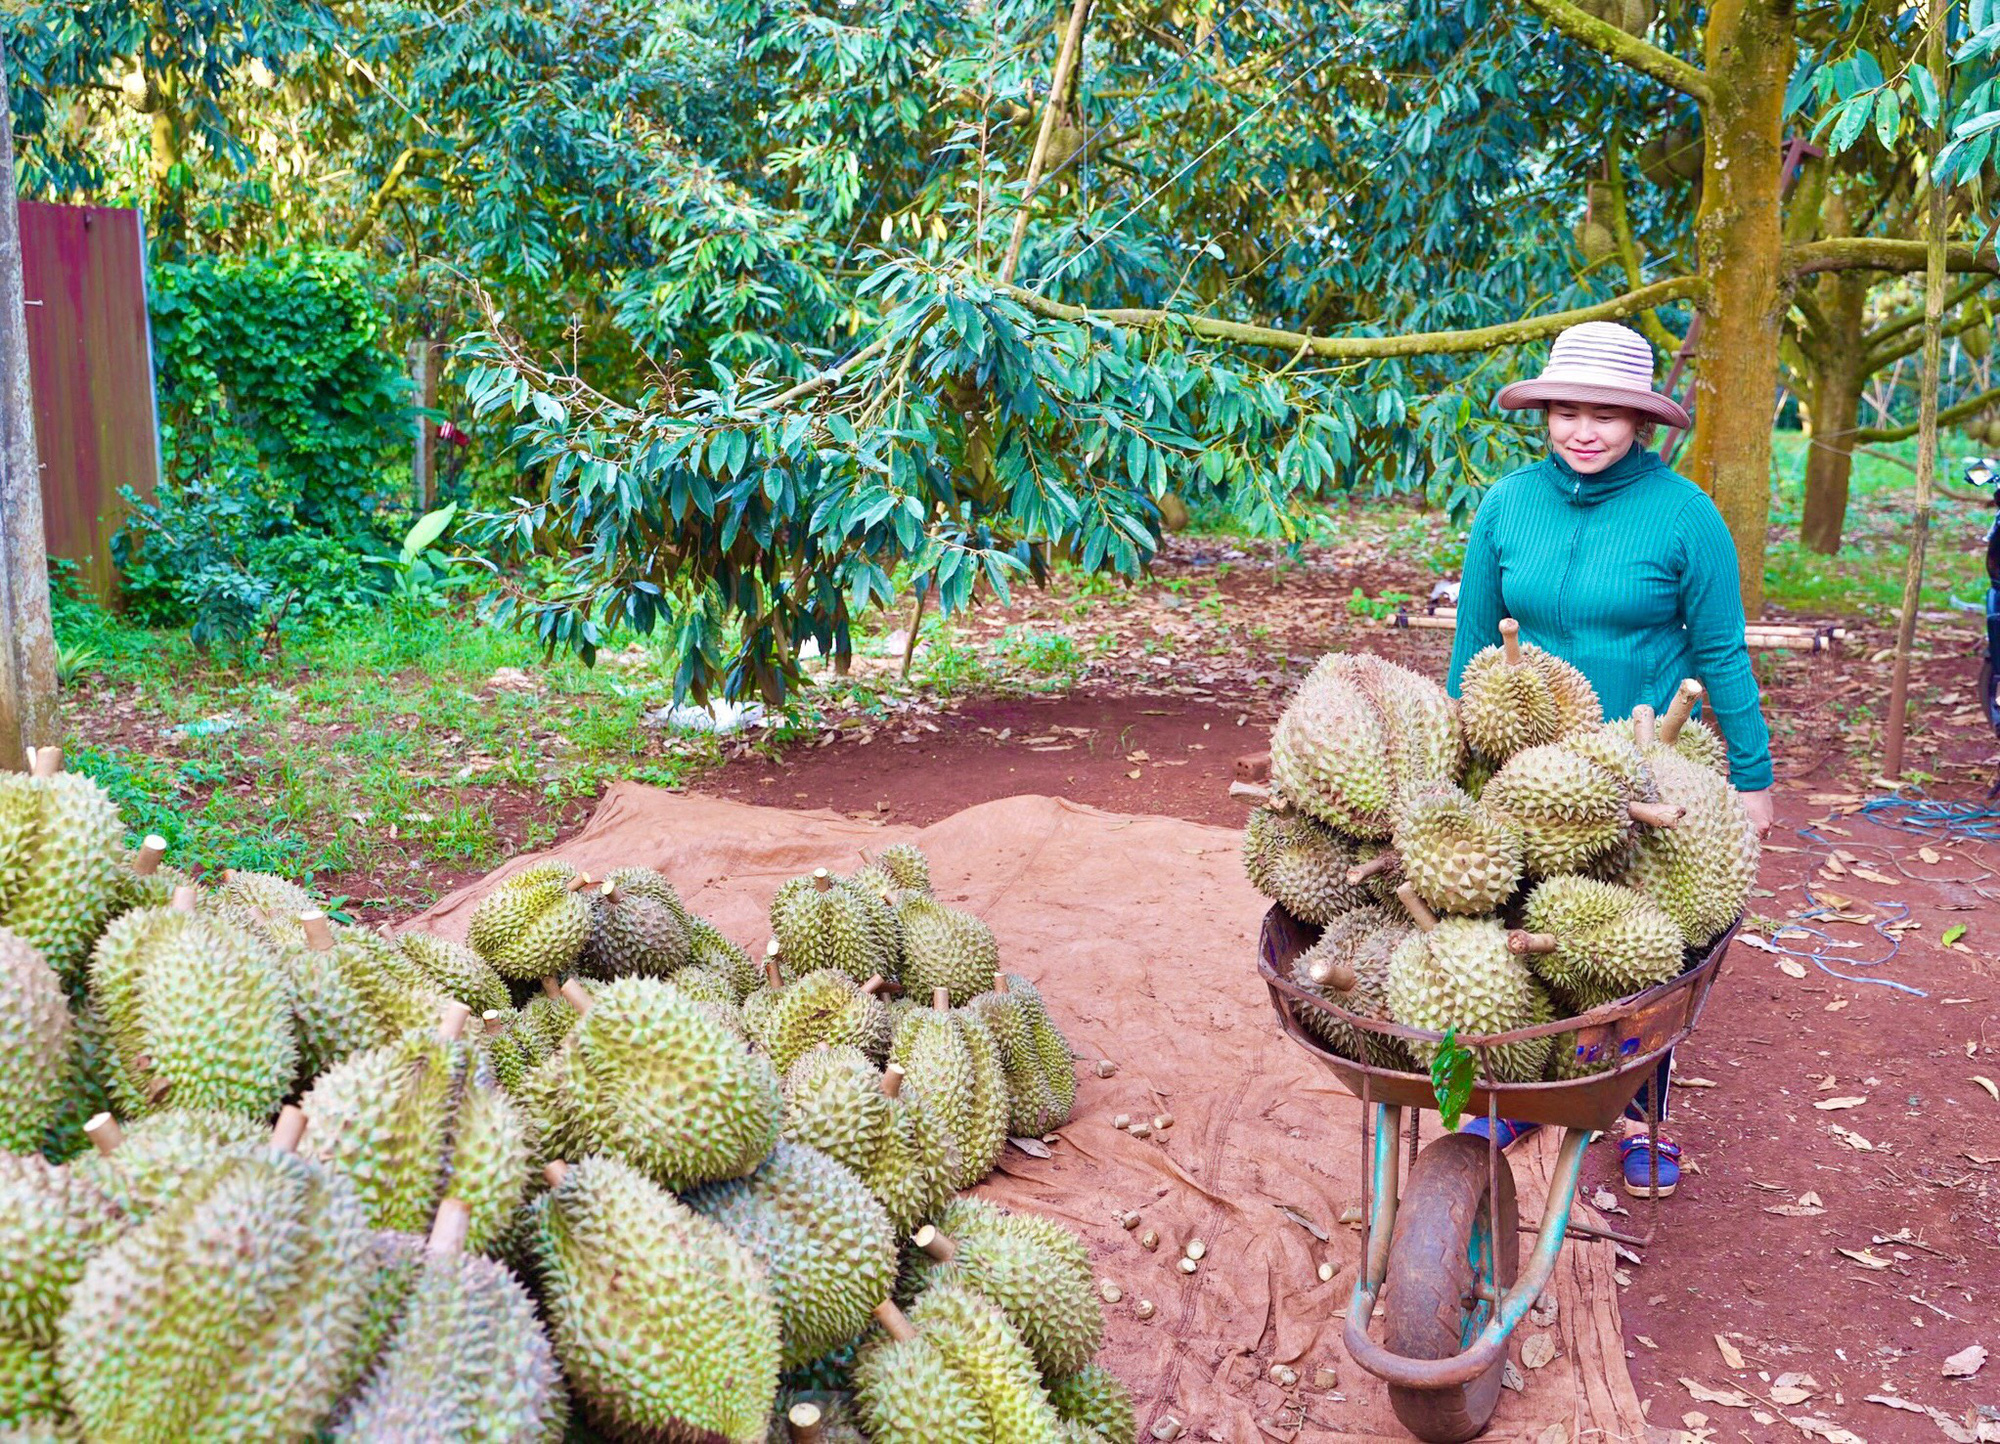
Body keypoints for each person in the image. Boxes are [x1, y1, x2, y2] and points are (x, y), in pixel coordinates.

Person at [1443, 320, 1776, 1198]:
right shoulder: (1508, 504)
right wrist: (1451, 753)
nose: (1583, 431)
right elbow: (1475, 642)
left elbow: (1723, 653)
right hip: (1528, 761)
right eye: (1567, 411)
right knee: (1519, 928)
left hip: (1650, 764)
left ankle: (1637, 1108)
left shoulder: (1685, 516)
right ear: (1544, 411)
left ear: (1641, 421)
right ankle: (1521, 1088)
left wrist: (1753, 778)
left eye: (1607, 414)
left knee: (1642, 945)